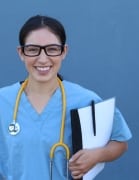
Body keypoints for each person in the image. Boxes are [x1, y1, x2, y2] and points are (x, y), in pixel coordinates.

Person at [0, 15, 132, 180]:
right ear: (21, 53)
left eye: (52, 49)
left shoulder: (85, 100)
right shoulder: (3, 101)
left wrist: (97, 155)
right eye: (33, 49)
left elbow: (120, 142)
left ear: (64, 52)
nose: (42, 58)